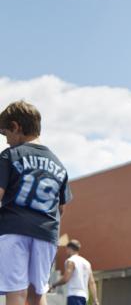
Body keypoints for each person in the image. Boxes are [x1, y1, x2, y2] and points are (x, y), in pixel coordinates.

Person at [0, 100, 72, 305]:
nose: (6, 141)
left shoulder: (10, 155)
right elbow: (61, 208)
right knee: (38, 293)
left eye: (5, 134)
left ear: (16, 127)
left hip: (13, 229)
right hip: (46, 234)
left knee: (16, 291)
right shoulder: (59, 164)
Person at [50, 239, 100, 305]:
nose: (66, 251)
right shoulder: (87, 263)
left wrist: (53, 285)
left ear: (70, 249)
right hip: (84, 298)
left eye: (67, 249)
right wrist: (95, 299)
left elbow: (65, 279)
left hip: (73, 296)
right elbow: (92, 282)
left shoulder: (71, 261)